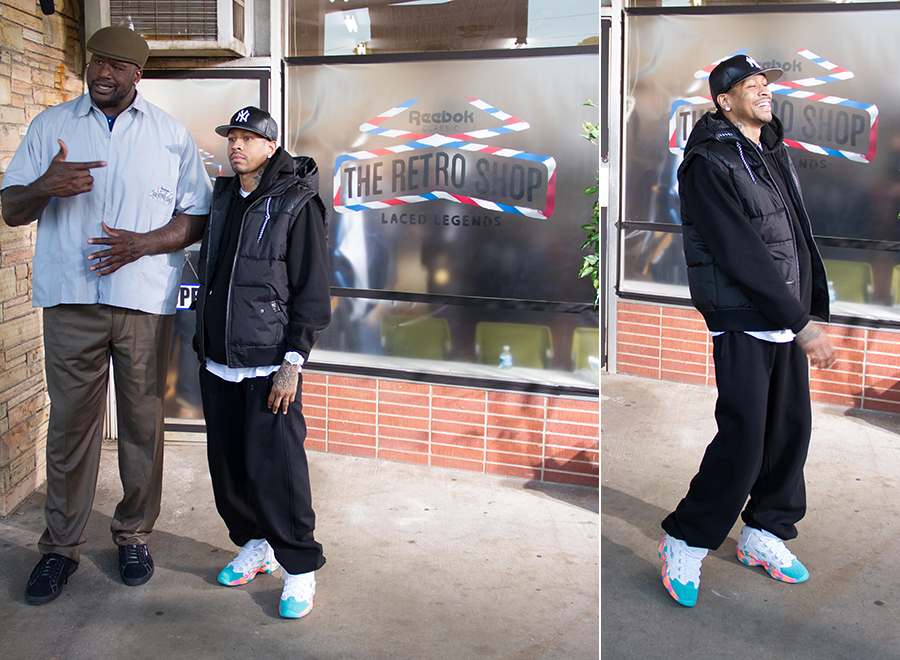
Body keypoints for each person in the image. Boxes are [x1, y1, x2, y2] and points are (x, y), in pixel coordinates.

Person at [1, 26, 212, 605]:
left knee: (142, 424)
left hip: (142, 301)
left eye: (118, 66)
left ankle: (133, 533)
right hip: (71, 299)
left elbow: (197, 217)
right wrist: (45, 184)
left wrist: (143, 243)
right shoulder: (52, 127)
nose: (104, 73)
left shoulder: (170, 136)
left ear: (137, 76)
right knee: (71, 428)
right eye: (98, 62)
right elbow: (11, 207)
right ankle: (59, 548)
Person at [658, 54, 837, 607]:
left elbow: (794, 235)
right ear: (723, 101)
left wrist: (809, 306)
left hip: (784, 313)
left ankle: (765, 531)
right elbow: (740, 251)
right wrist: (800, 323)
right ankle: (685, 537)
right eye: (749, 87)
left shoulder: (769, 149)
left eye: (765, 84)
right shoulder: (709, 162)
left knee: (789, 432)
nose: (763, 92)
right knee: (745, 437)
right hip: (746, 317)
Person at [194, 106, 331, 619]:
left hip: (268, 364)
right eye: (232, 137)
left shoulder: (297, 202)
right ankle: (256, 544)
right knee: (228, 468)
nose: (236, 145)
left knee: (278, 471)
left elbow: (313, 292)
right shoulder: (225, 195)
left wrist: (291, 364)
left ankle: (299, 568)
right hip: (219, 360)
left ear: (270, 147)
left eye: (248, 138)